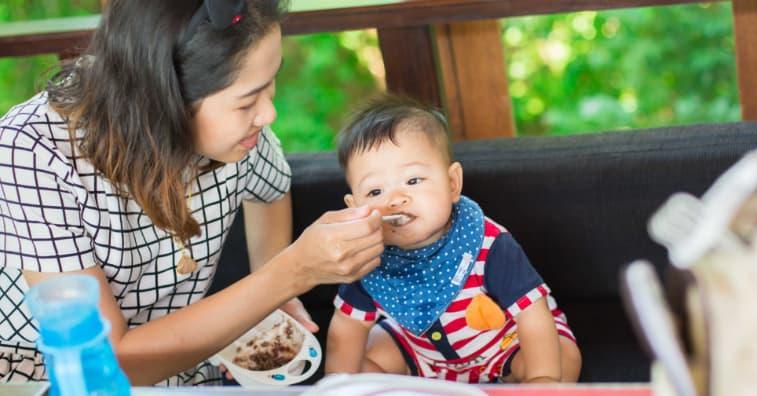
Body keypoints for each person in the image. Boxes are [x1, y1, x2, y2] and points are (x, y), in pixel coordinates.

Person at [0, 0, 385, 386]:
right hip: (46, 379)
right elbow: (105, 364)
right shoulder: (34, 152)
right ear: (164, 100)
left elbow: (270, 190)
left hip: (191, 368)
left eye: (269, 85)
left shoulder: (237, 130)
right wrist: (289, 274)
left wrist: (272, 296)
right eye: (248, 101)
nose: (269, 115)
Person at [325, 95, 582, 383]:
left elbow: (532, 316)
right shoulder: (366, 257)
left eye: (413, 181)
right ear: (355, 207)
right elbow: (345, 330)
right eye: (375, 192)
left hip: (505, 347)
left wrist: (541, 378)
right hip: (424, 356)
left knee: (562, 357)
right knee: (363, 359)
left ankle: (519, 385)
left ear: (452, 184)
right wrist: (341, 386)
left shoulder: (487, 243)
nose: (395, 199)